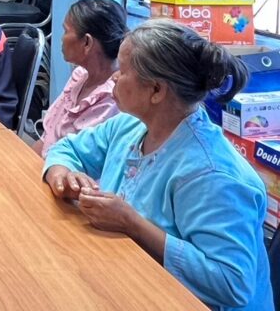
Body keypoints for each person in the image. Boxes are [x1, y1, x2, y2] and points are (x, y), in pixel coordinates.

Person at [44, 19, 271, 310]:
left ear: (156, 90)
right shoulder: (131, 125)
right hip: (132, 282)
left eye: (123, 70)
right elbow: (68, 148)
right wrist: (62, 173)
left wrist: (133, 225)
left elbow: (231, 284)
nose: (113, 77)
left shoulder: (212, 174)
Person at [33, 0, 127, 157]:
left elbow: (75, 160)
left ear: (87, 43)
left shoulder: (112, 99)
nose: (62, 38)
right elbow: (47, 138)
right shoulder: (80, 76)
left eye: (66, 31)